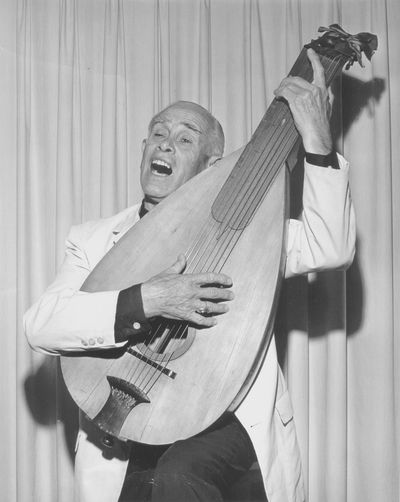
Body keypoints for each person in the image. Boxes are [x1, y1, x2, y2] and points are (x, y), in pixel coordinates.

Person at [24, 48, 356, 502]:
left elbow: (331, 246)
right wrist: (147, 298)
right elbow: (41, 325)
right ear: (143, 150)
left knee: (181, 474)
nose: (164, 143)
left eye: (185, 139)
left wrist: (317, 139)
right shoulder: (93, 239)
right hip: (124, 444)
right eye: (157, 134)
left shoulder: (251, 234)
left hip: (224, 423)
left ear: (211, 163)